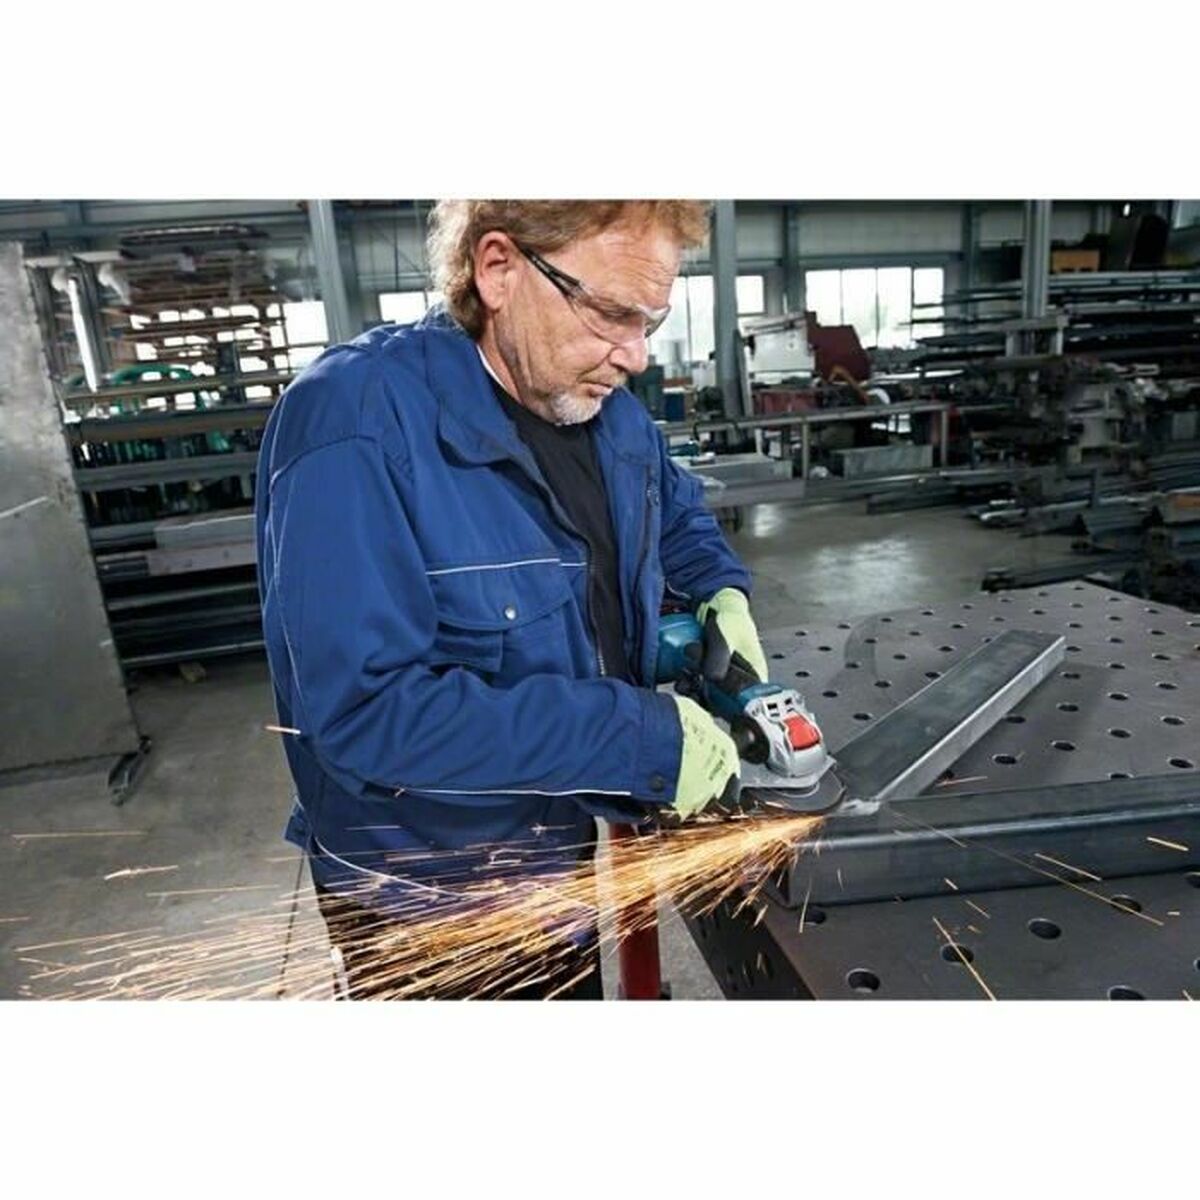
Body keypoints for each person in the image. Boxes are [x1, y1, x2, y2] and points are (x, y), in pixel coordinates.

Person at [254, 200, 771, 999]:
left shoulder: (603, 408)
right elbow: (365, 715)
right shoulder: (351, 426)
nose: (635, 355)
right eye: (612, 313)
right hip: (427, 903)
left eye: (652, 321)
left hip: (555, 857)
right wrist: (638, 737)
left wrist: (719, 592)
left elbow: (674, 512)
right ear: (498, 270)